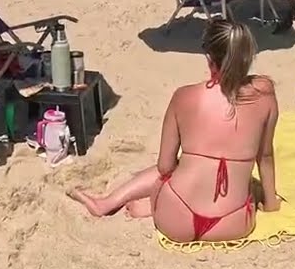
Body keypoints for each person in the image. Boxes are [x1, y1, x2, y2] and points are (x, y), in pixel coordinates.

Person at [70, 19, 280, 242]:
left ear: (209, 58)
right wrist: (270, 203)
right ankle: (147, 205)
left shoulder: (184, 96)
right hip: (234, 223)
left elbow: (165, 166)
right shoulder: (264, 95)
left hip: (177, 218)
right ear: (246, 56)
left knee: (177, 166)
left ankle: (111, 203)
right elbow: (264, 156)